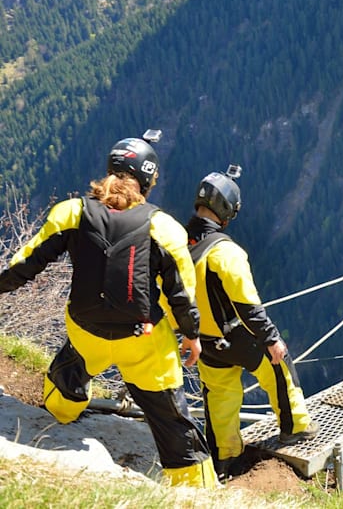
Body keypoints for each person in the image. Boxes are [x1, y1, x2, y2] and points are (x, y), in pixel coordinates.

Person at [0, 131, 218, 488]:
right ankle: (198, 489)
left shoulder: (72, 212)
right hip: (144, 343)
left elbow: (23, 265)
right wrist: (191, 335)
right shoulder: (163, 227)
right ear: (148, 181)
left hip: (86, 335)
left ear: (110, 170)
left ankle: (62, 407)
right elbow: (182, 294)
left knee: (68, 374)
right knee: (176, 423)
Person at [185, 165, 316, 479]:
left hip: (205, 341)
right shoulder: (225, 253)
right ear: (227, 211)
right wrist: (272, 339)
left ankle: (225, 457)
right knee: (279, 369)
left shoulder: (181, 247)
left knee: (220, 398)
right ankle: (294, 427)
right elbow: (247, 304)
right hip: (239, 337)